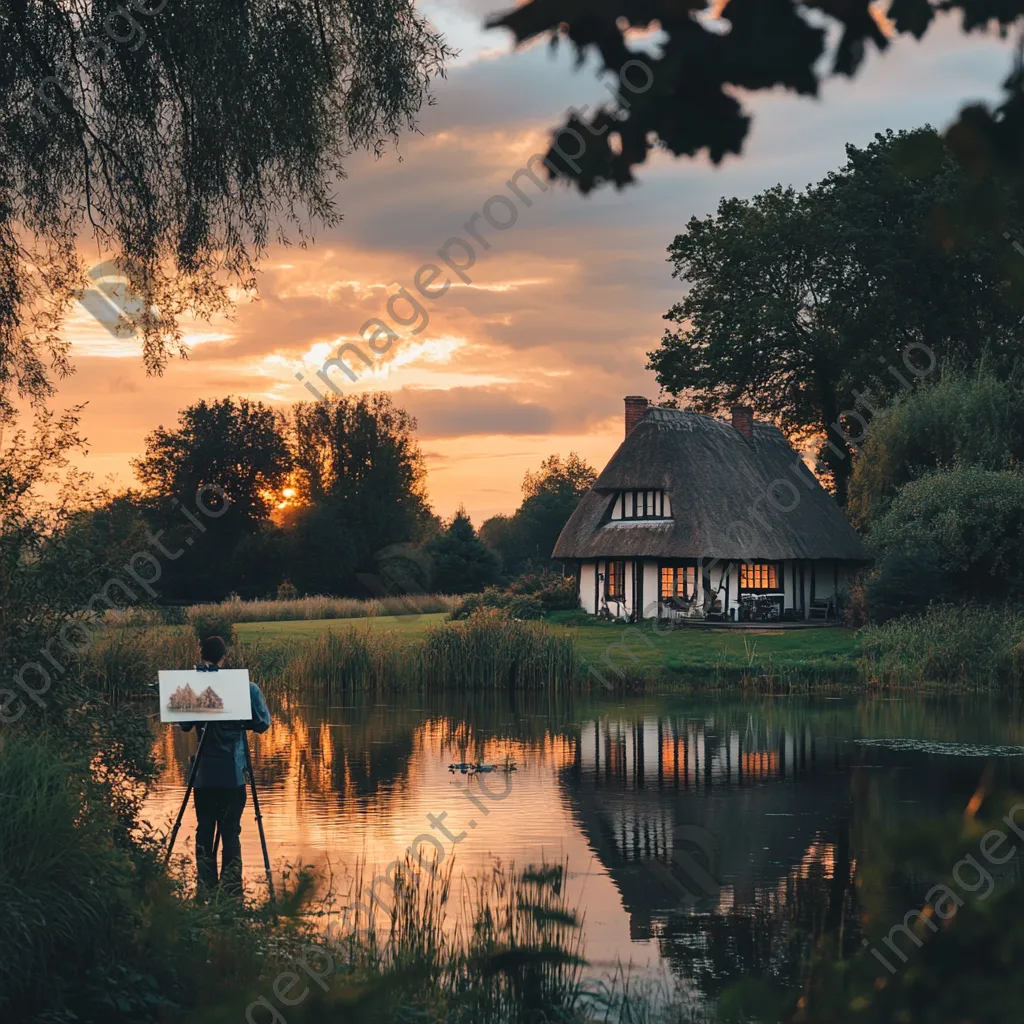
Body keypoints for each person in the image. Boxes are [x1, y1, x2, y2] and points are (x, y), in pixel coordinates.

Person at [180, 635, 271, 896]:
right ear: (224, 657)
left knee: (205, 829)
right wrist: (242, 720)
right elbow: (263, 723)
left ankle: (205, 891)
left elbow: (185, 725)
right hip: (233, 776)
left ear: (202, 657)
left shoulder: (192, 688)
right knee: (230, 832)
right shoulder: (247, 688)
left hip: (204, 776)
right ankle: (232, 893)